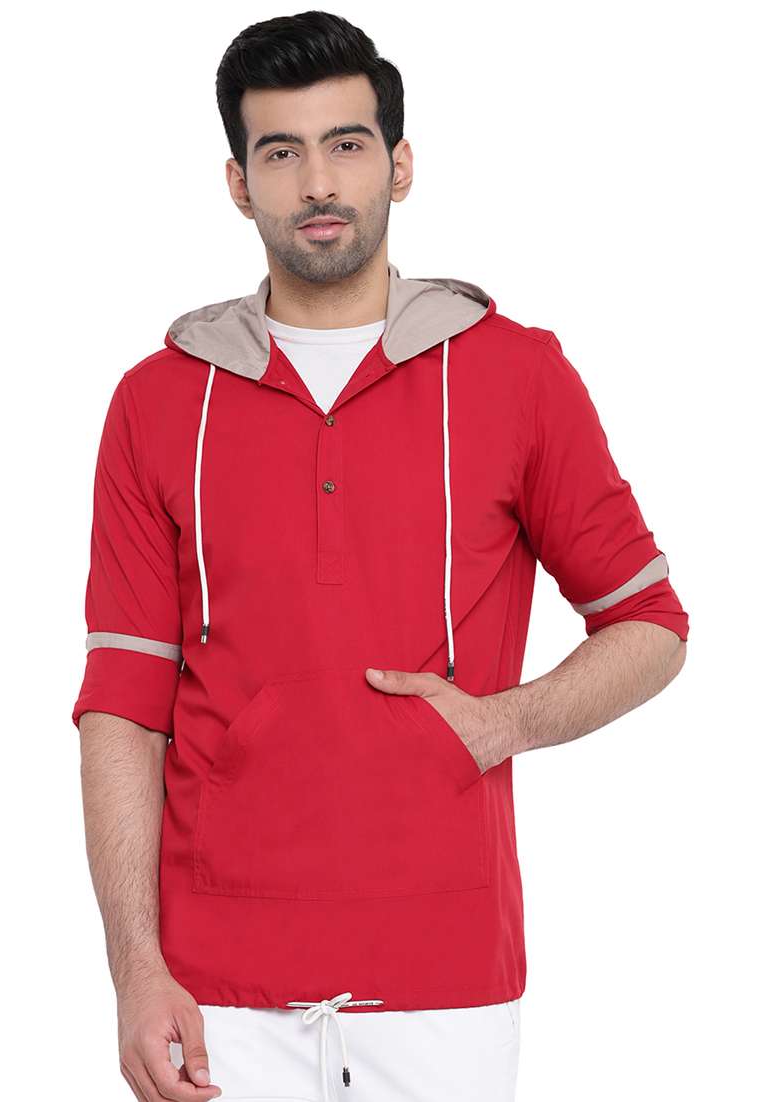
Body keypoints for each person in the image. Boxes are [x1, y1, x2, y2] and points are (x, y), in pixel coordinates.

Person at [71, 11, 690, 1102]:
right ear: (238, 183)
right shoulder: (157, 401)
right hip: (213, 994)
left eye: (346, 145)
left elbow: (650, 624)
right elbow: (124, 702)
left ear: (398, 165)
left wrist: (506, 721)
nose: (317, 182)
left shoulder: (517, 375)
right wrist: (136, 971)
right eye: (281, 152)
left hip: (448, 987)